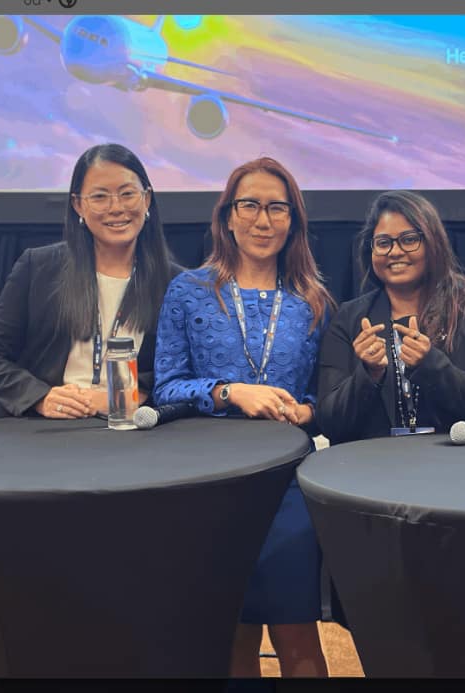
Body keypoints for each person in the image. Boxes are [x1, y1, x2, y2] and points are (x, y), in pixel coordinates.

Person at [152, 157, 334, 677]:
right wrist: (232, 392)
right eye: (249, 205)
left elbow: (328, 398)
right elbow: (164, 390)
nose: (263, 219)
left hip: (288, 483)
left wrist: (307, 409)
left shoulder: (313, 300)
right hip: (210, 482)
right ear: (228, 217)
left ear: (293, 221)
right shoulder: (188, 291)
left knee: (300, 640)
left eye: (277, 207)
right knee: (231, 639)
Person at [0, 143, 180, 418]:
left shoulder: (176, 283)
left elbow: (183, 372)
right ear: (77, 205)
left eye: (127, 194)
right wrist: (41, 397)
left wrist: (134, 395)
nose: (116, 208)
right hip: (47, 429)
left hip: (133, 428)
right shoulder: (39, 267)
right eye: (99, 197)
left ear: (147, 199)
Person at [316, 190, 465, 444]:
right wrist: (368, 374)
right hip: (370, 471)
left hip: (457, 470)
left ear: (433, 243)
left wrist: (431, 366)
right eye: (383, 242)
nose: (395, 252)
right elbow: (330, 423)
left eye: (409, 239)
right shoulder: (349, 318)